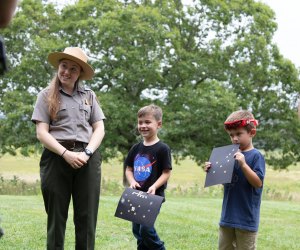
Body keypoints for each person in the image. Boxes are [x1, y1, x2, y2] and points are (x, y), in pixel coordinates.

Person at [31, 47, 105, 250]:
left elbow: (99, 128)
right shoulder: (45, 95)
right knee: (56, 217)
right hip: (56, 158)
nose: (67, 72)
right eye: (64, 66)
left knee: (87, 217)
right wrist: (66, 154)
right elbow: (42, 133)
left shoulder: (89, 96)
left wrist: (87, 152)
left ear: (80, 73)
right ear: (58, 67)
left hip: (87, 158)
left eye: (74, 68)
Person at [204, 110, 265, 250]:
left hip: (246, 220)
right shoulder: (229, 155)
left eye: (239, 134)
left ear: (252, 133)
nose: (235, 139)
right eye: (231, 135)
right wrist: (212, 169)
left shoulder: (256, 156)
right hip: (227, 217)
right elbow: (226, 180)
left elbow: (258, 183)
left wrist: (243, 165)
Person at [125, 104, 172, 250]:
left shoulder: (162, 148)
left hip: (153, 196)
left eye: (147, 122)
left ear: (159, 124)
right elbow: (128, 169)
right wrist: (132, 181)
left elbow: (166, 172)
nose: (143, 126)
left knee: (145, 229)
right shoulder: (136, 148)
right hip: (136, 195)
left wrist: (154, 186)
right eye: (140, 122)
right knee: (136, 230)